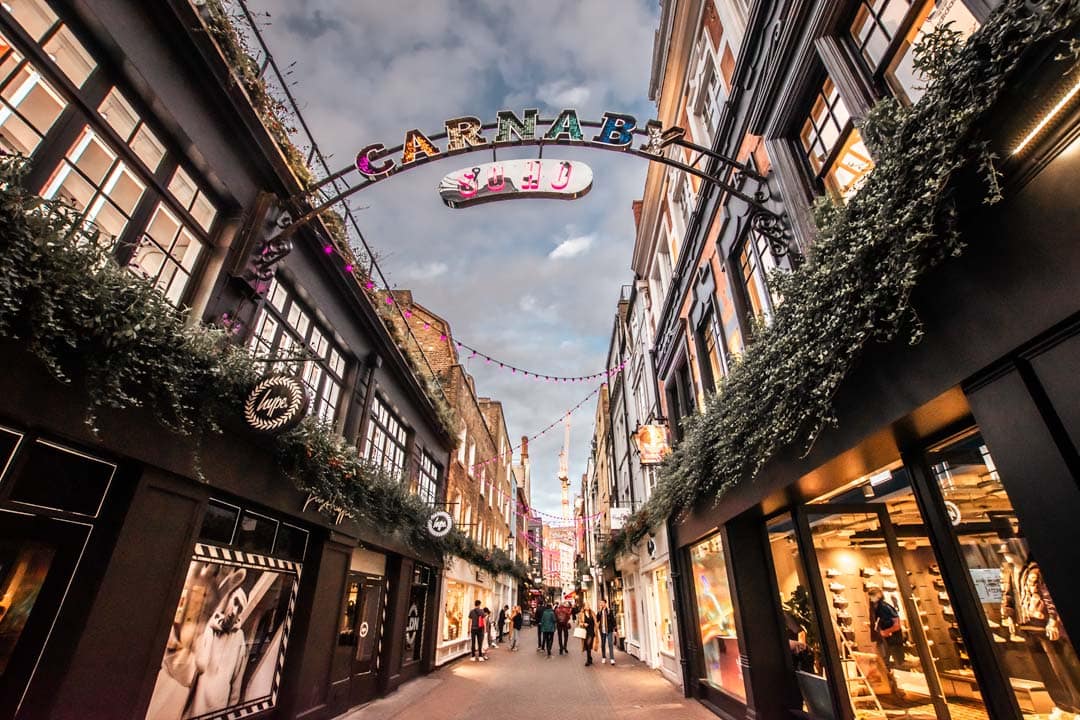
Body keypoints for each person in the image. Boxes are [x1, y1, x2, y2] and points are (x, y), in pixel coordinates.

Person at [868, 586, 904, 685]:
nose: (871, 598)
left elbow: (897, 624)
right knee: (886, 661)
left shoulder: (885, 607)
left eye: (872, 596)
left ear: (878, 595)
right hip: (886, 639)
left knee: (895, 662)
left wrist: (886, 631)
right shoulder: (878, 608)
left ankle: (898, 684)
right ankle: (892, 684)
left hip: (892, 639)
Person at [597, 599, 618, 665]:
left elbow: (613, 621)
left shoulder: (609, 611)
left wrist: (615, 630)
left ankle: (612, 658)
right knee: (603, 644)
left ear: (605, 603)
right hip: (602, 630)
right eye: (600, 603)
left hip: (609, 630)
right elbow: (597, 619)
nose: (601, 604)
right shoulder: (600, 612)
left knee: (610, 644)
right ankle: (603, 657)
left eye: (602, 603)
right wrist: (599, 611)